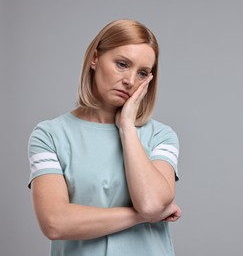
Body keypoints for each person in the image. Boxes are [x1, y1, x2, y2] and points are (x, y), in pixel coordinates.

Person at [28, 19, 182, 256]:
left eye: (142, 73)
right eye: (122, 64)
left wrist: (127, 127)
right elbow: (54, 222)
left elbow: (151, 203)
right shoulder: (49, 135)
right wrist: (140, 216)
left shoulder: (161, 136)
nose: (130, 80)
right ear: (94, 58)